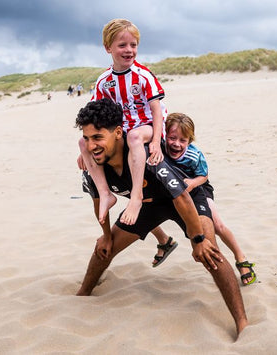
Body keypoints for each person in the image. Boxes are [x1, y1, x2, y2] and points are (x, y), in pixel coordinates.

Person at [75, 98, 248, 339]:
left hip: (188, 196)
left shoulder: (143, 155)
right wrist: (105, 236)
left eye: (98, 137)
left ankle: (242, 323)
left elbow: (180, 197)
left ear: (117, 133)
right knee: (104, 248)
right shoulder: (95, 165)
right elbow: (98, 202)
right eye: (87, 138)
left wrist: (197, 238)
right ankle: (83, 293)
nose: (92, 145)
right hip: (149, 204)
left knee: (210, 252)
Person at [78, 18, 166, 229]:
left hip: (145, 126)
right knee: (83, 143)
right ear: (108, 47)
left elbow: (157, 110)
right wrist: (85, 152)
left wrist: (155, 140)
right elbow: (95, 116)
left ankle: (136, 196)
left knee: (134, 137)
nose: (129, 50)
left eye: (133, 45)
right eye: (122, 45)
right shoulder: (104, 81)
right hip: (121, 131)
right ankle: (105, 193)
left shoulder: (143, 75)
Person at [159, 112, 256, 285]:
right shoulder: (159, 148)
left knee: (217, 225)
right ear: (164, 135)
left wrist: (192, 183)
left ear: (190, 141)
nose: (176, 144)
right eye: (172, 138)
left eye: (183, 140)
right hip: (176, 191)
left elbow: (203, 176)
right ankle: (163, 241)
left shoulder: (194, 155)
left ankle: (241, 258)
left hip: (199, 188)